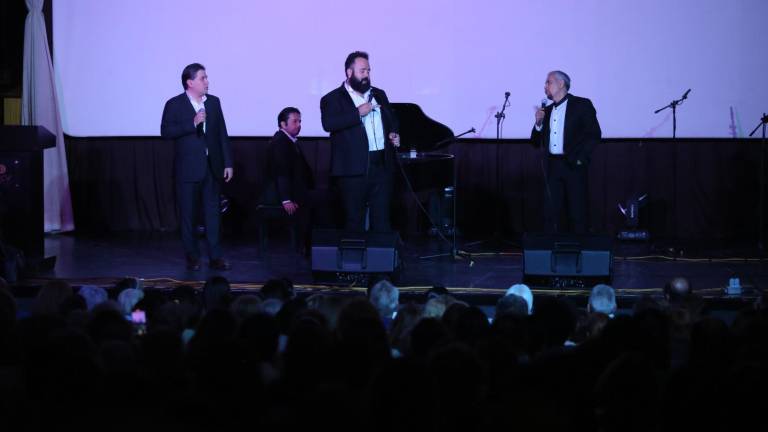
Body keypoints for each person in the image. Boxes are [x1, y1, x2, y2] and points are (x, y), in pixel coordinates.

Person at [161, 63, 233, 271]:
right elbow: (165, 131)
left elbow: (222, 134)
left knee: (213, 214)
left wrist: (228, 163)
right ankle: (192, 256)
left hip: (212, 167)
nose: (207, 81)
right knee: (188, 215)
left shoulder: (214, 103)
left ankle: (215, 257)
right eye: (203, 78)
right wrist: (191, 124)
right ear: (190, 82)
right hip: (188, 169)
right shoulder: (174, 104)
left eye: (206, 77)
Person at [320, 51, 400, 232]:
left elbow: (392, 120)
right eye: (362, 71)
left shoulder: (379, 94)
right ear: (349, 72)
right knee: (354, 219)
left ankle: (379, 260)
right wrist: (358, 113)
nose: (367, 75)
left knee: (382, 219)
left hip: (381, 166)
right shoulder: (332, 99)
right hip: (353, 170)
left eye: (369, 71)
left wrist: (394, 133)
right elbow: (329, 124)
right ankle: (353, 260)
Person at [531, 70, 601, 234]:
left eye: (549, 82)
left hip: (573, 164)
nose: (545, 86)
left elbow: (594, 134)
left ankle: (579, 251)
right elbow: (535, 142)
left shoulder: (582, 105)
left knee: (577, 210)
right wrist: (538, 123)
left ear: (561, 84)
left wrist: (580, 159)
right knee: (551, 210)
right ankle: (552, 250)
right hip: (553, 166)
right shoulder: (546, 111)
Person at [265, 107, 315, 252]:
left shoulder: (289, 141)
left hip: (296, 190)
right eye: (294, 121)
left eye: (300, 121)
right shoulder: (281, 142)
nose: (299, 125)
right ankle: (307, 247)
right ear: (283, 124)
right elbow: (281, 171)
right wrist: (286, 199)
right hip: (282, 194)